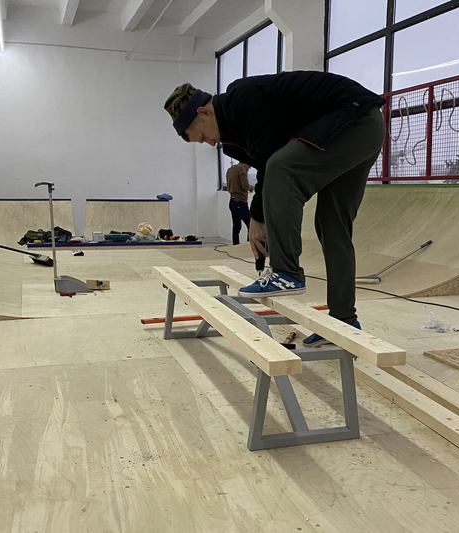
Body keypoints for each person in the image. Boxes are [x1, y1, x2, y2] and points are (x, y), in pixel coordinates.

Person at [164, 72, 386, 347]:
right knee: (332, 223)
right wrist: (263, 216)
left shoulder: (241, 99)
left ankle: (286, 272)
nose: (209, 143)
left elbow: (271, 160)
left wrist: (257, 218)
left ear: (204, 111)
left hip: (353, 119)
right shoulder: (232, 135)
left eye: (202, 136)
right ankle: (344, 319)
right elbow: (266, 164)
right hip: (366, 128)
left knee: (282, 167)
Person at [225, 162, 253, 245]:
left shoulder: (230, 170)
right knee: (251, 225)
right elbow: (245, 185)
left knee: (236, 226)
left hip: (232, 201)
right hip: (240, 202)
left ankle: (235, 245)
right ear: (245, 164)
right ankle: (249, 245)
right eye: (249, 167)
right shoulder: (241, 168)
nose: (248, 170)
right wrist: (252, 188)